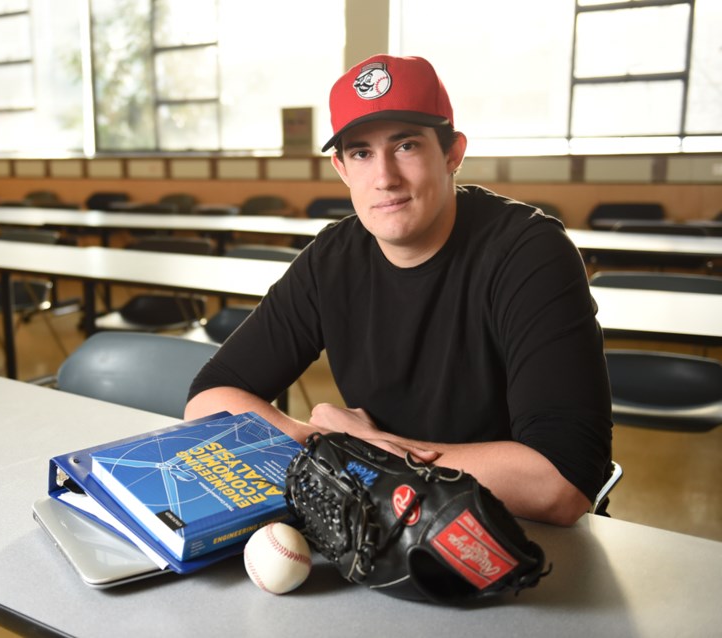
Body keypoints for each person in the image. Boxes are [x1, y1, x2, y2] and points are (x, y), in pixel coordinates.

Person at [184, 54, 612, 526]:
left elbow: (559, 485)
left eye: (406, 145)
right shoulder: (333, 259)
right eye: (361, 153)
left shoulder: (530, 253)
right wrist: (315, 439)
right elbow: (208, 400)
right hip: (380, 526)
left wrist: (361, 453)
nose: (384, 177)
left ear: (452, 153)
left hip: (504, 535)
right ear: (342, 169)